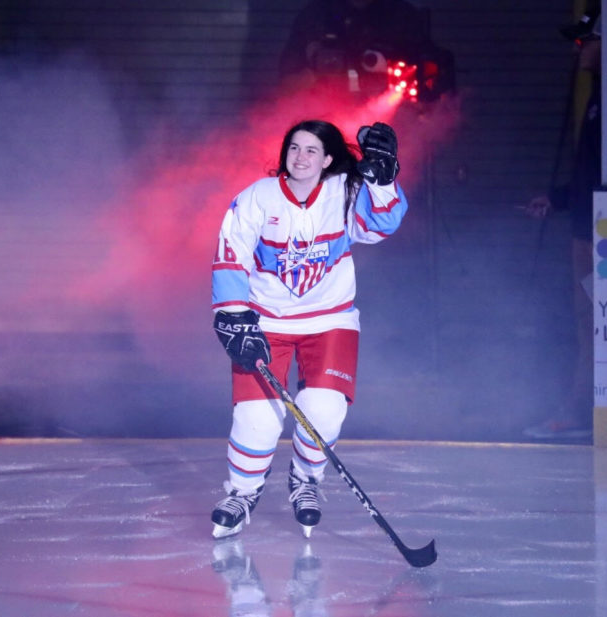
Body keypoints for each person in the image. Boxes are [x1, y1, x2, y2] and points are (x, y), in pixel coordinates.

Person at [210, 119, 407, 538]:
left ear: (329, 159)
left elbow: (381, 227)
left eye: (312, 150)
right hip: (267, 320)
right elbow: (230, 254)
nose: (301, 157)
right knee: (256, 419)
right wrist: (232, 314)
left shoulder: (345, 192)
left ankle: (305, 481)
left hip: (330, 319)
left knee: (324, 412)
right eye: (294, 148)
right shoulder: (257, 198)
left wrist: (385, 182)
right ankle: (242, 492)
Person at [522, 8, 602, 441]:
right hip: (588, 230)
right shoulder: (600, 98)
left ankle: (580, 409)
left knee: (593, 322)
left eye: (585, 41)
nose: (579, 49)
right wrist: (557, 200)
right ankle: (581, 405)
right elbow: (591, 172)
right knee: (585, 320)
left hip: (602, 236)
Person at [278, 0, 454, 102]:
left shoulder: (402, 16)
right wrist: (317, 70)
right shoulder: (316, 17)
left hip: (394, 133)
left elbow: (432, 78)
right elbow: (285, 87)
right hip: (325, 126)